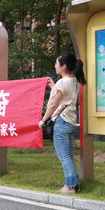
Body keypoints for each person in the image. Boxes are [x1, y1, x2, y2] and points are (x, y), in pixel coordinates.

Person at [39, 52, 86, 194]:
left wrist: (43, 120)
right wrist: (53, 85)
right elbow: (63, 96)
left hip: (61, 122)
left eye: (56, 63)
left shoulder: (62, 83)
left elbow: (53, 104)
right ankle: (74, 183)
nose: (55, 66)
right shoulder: (74, 81)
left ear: (63, 66)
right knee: (68, 155)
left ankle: (70, 186)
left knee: (64, 156)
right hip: (70, 121)